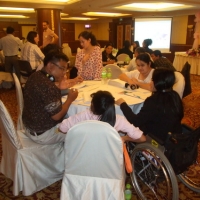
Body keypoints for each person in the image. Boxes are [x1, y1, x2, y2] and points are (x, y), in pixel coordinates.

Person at [22, 51, 79, 145]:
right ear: (50, 66)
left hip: (30, 127)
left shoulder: (35, 76)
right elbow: (57, 116)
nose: (64, 73)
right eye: (62, 68)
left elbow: (44, 97)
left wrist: (59, 91)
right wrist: (70, 99)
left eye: (66, 69)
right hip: (43, 133)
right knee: (79, 132)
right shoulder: (48, 86)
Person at [116, 68, 183, 142]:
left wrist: (123, 104)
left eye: (152, 80)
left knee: (126, 134)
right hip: (173, 136)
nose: (150, 82)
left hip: (156, 139)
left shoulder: (154, 100)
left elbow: (135, 121)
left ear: (158, 83)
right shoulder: (175, 96)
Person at [59, 90, 146, 143]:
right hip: (108, 161)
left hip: (84, 154)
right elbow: (142, 138)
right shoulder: (119, 120)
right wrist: (124, 138)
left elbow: (62, 128)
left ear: (92, 104)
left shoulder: (83, 116)